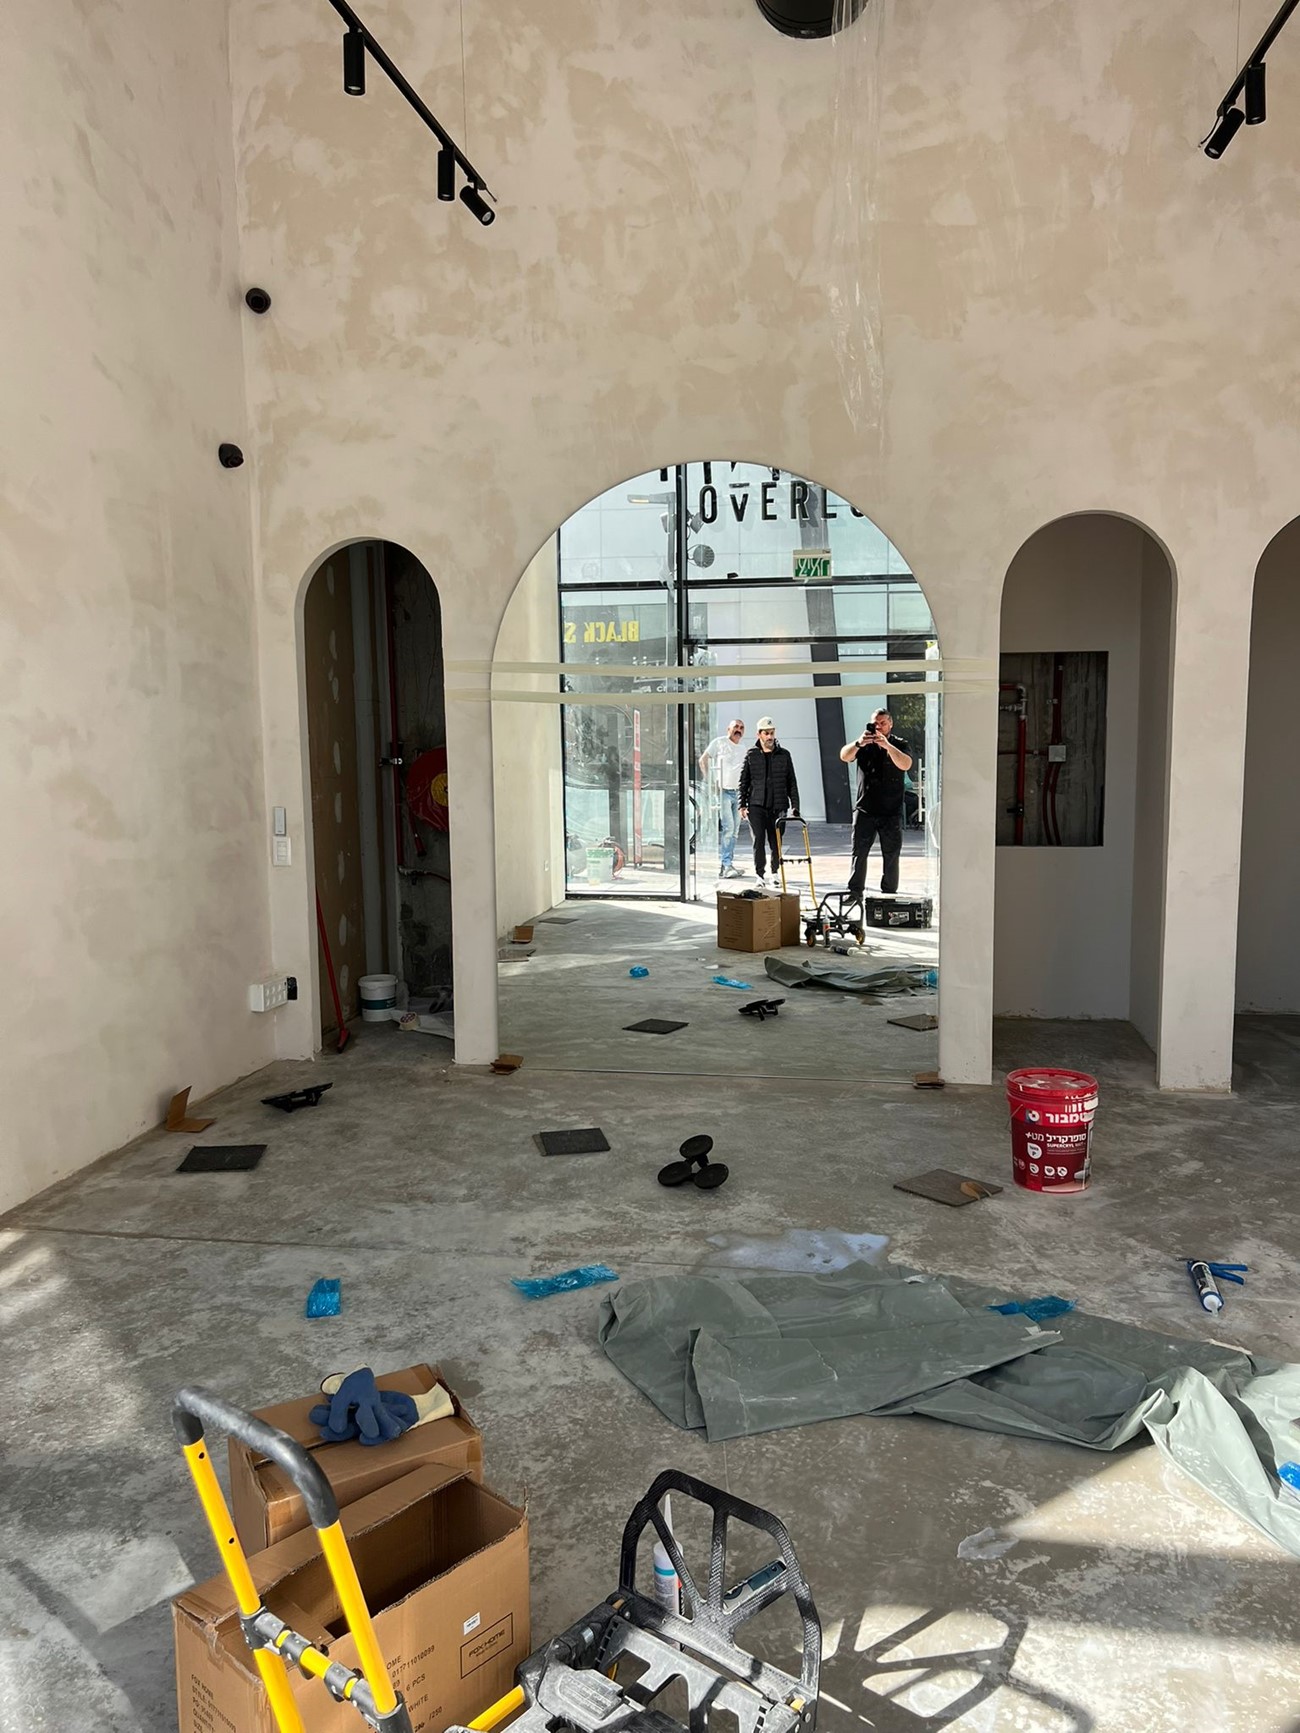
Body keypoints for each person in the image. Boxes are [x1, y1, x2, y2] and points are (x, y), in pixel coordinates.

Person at [840, 708, 913, 898]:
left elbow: (906, 764)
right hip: (865, 808)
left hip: (891, 810)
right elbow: (844, 756)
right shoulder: (863, 744)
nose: (879, 727)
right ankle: (855, 892)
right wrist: (859, 742)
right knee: (859, 852)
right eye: (875, 723)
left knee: (891, 854)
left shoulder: (899, 744)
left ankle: (889, 893)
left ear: (891, 724)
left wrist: (887, 746)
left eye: (883, 723)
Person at [739, 717, 800, 890]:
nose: (770, 737)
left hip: (778, 806)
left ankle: (774, 873)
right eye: (766, 733)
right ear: (759, 734)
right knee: (758, 840)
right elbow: (744, 781)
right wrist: (742, 805)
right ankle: (759, 875)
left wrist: (795, 806)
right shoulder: (751, 754)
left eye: (772, 733)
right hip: (756, 805)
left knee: (776, 841)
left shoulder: (784, 755)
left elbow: (792, 782)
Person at [699, 718, 747, 878]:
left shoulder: (743, 748)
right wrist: (710, 782)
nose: (738, 730)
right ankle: (726, 865)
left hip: (739, 793)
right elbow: (703, 760)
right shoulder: (719, 742)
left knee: (735, 831)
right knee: (729, 829)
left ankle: (728, 864)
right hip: (724, 792)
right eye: (735, 727)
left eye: (741, 727)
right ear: (728, 729)